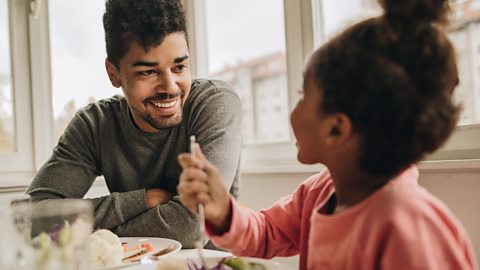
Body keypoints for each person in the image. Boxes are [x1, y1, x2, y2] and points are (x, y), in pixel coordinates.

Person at [177, 0, 479, 268]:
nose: (293, 112)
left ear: (337, 128)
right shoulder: (321, 192)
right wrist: (224, 211)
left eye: (302, 97)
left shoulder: (409, 228)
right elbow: (268, 232)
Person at [26, 0, 242, 248]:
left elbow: (193, 227)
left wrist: (100, 238)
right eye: (148, 72)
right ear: (113, 73)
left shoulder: (214, 103)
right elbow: (35, 218)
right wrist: (142, 200)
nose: (171, 87)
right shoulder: (94, 125)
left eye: (179, 66)